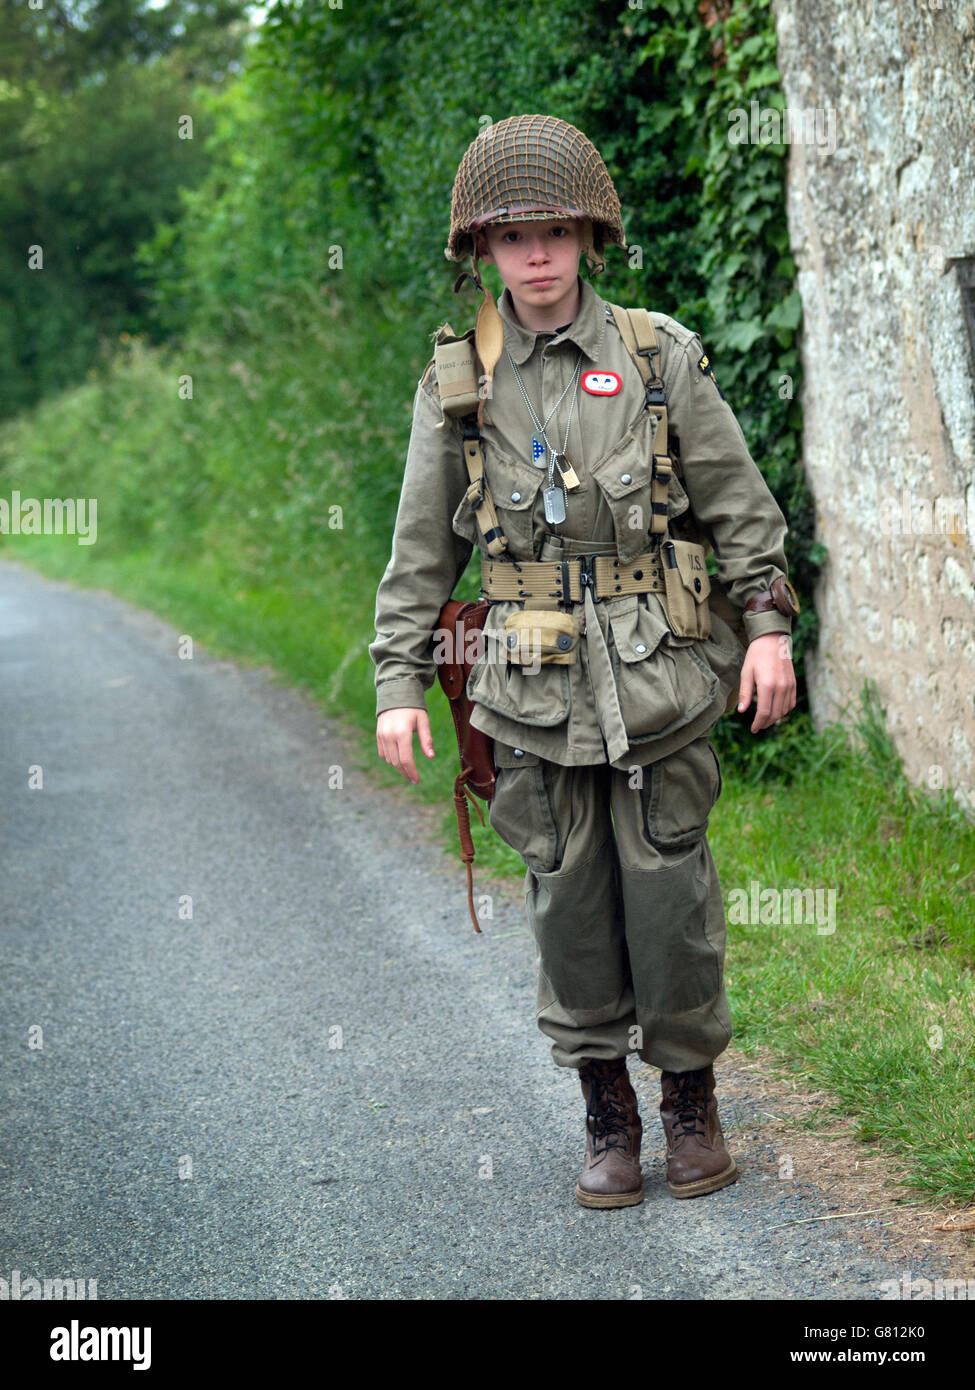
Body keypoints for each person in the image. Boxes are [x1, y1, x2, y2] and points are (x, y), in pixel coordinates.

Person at [371, 114, 797, 1208]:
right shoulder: (457, 386)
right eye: (514, 237)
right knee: (566, 902)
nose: (538, 253)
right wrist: (397, 684)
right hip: (531, 686)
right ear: (483, 251)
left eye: (557, 230)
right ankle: (606, 1113)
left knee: (672, 897)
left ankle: (691, 1103)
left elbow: (742, 510)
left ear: (590, 237)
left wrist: (771, 632)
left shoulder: (659, 355)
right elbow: (421, 554)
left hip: (660, 676)